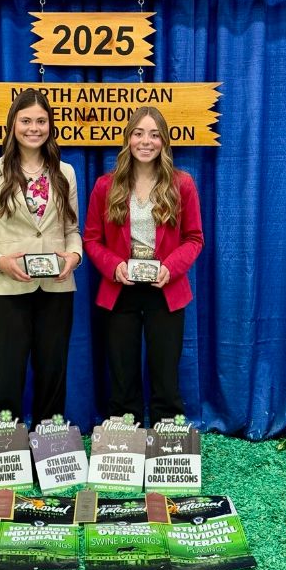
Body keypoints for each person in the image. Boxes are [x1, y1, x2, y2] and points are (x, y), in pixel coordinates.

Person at [0, 88, 82, 425]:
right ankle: (7, 454)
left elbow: (73, 231)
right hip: (7, 289)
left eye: (41, 121)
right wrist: (0, 262)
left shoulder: (66, 173)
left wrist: (74, 257)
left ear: (50, 125)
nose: (34, 127)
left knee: (53, 373)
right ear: (13, 125)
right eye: (26, 120)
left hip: (58, 289)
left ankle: (49, 452)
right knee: (6, 374)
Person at [83, 106, 203, 426]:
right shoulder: (106, 187)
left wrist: (170, 268)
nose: (145, 141)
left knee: (165, 376)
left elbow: (194, 238)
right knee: (122, 378)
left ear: (164, 141)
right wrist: (114, 266)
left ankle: (166, 445)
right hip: (119, 292)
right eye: (138, 133)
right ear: (128, 140)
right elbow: (92, 239)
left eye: (154, 134)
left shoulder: (183, 184)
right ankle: (125, 448)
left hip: (166, 291)